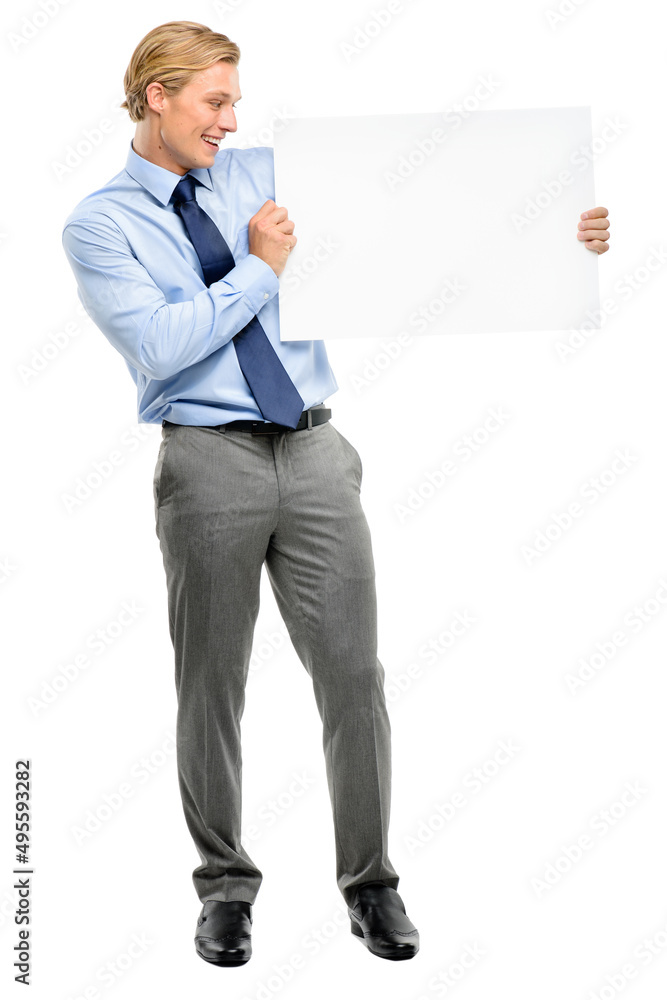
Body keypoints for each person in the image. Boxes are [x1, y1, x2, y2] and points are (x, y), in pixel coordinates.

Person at [61, 20, 611, 968]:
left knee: (354, 677)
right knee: (211, 686)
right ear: (156, 95)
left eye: (235, 101)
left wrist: (553, 224)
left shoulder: (268, 173)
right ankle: (224, 888)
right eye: (215, 101)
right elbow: (158, 345)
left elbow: (420, 212)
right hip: (206, 458)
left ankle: (371, 884)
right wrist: (258, 271)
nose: (232, 121)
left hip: (315, 452)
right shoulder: (100, 222)